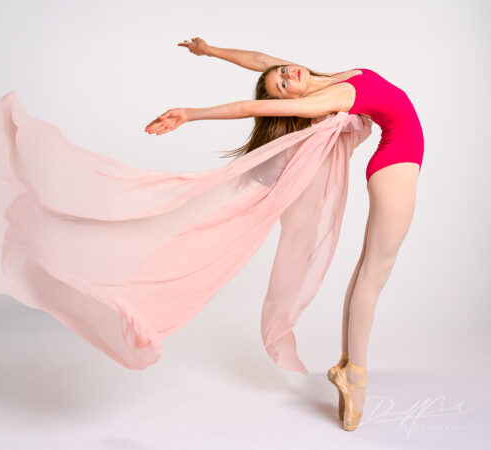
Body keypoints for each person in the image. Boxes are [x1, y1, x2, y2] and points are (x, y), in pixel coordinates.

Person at [146, 37, 424, 431]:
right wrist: (190, 114)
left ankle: (348, 362)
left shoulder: (320, 79)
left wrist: (211, 51)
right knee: (375, 274)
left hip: (399, 157)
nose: (286, 75)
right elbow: (250, 106)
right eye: (282, 84)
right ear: (288, 98)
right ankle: (356, 376)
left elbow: (259, 60)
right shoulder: (321, 100)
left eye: (281, 73)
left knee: (367, 269)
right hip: (396, 160)